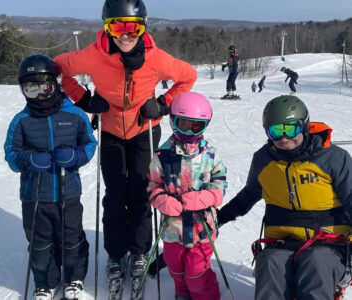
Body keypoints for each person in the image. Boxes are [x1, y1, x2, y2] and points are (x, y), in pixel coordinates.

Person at [54, 0, 197, 296]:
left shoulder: (156, 58)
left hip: (144, 130)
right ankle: (116, 253)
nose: (125, 35)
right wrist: (84, 100)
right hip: (110, 133)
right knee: (116, 194)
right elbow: (59, 68)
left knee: (143, 192)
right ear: (107, 28)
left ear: (142, 27)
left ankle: (139, 249)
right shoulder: (93, 55)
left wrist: (162, 104)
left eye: (133, 27)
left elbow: (188, 76)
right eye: (117, 27)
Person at [218, 95, 352, 300]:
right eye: (275, 131)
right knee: (269, 262)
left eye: (290, 129)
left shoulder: (333, 158)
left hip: (329, 243)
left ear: (304, 126)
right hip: (282, 242)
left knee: (315, 262)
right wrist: (218, 219)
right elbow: (248, 196)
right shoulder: (263, 159)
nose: (283, 138)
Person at [4, 55, 97, 300]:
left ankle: (74, 277)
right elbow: (11, 155)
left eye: (44, 86)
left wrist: (75, 156)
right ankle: (46, 281)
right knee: (39, 242)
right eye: (30, 89)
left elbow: (89, 144)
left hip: (69, 191)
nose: (39, 94)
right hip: (35, 195)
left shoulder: (75, 114)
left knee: (71, 236)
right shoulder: (21, 120)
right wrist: (28, 160)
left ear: (55, 84)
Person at [148, 92, 227, 300]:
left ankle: (206, 296)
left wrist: (208, 196)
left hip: (202, 227)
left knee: (196, 270)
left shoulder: (210, 154)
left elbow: (221, 181)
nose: (190, 131)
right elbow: (153, 184)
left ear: (205, 125)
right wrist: (161, 199)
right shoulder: (162, 155)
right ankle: (182, 293)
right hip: (173, 227)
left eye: (196, 126)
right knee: (174, 265)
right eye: (184, 124)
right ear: (173, 121)